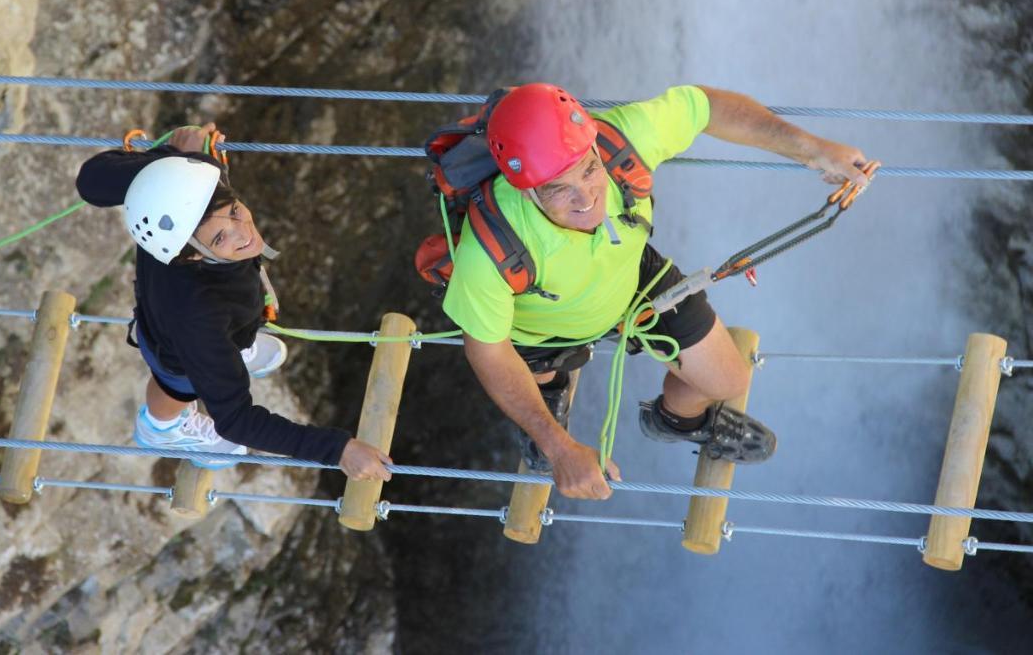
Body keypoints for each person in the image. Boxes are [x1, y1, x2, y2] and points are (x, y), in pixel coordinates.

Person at [440, 84, 870, 500]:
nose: (587, 197)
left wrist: (813, 150)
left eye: (589, 171)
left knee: (729, 379)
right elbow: (489, 352)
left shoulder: (622, 142)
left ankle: (676, 420)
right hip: (539, 330)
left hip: (630, 279)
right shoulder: (493, 249)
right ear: (526, 190)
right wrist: (559, 449)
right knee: (534, 382)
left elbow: (707, 106)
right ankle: (548, 395)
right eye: (559, 190)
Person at [76, 123, 392, 479]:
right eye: (222, 235)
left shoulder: (188, 191)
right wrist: (339, 450)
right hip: (179, 347)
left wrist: (172, 159)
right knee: (178, 384)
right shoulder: (199, 320)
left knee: (230, 321)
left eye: (237, 211)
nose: (245, 232)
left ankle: (238, 347)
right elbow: (236, 420)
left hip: (212, 308)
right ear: (192, 255)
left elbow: (91, 181)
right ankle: (161, 427)